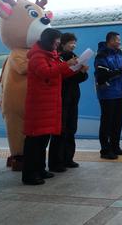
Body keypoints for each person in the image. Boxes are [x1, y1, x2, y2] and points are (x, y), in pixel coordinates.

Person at [22, 28, 79, 185]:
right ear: (49, 40)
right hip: (39, 105)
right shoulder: (37, 57)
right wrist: (65, 65)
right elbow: (45, 72)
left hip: (49, 104)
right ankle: (29, 174)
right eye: (57, 40)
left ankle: (40, 169)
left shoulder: (52, 56)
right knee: (34, 141)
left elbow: (58, 73)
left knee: (43, 140)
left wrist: (74, 68)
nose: (58, 43)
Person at [48, 33, 89, 172]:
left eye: (75, 43)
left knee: (71, 129)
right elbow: (62, 78)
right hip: (61, 98)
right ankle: (56, 162)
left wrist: (83, 72)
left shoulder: (74, 57)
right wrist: (73, 70)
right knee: (60, 131)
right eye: (71, 42)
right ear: (63, 43)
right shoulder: (58, 58)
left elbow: (77, 79)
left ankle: (68, 158)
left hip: (73, 98)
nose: (74, 45)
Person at [94, 32, 122, 160]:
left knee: (117, 122)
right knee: (107, 122)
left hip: (119, 93)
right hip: (107, 94)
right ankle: (105, 150)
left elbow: (121, 73)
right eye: (117, 40)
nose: (119, 42)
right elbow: (102, 76)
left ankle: (115, 147)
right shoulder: (102, 55)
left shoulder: (119, 54)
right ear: (110, 41)